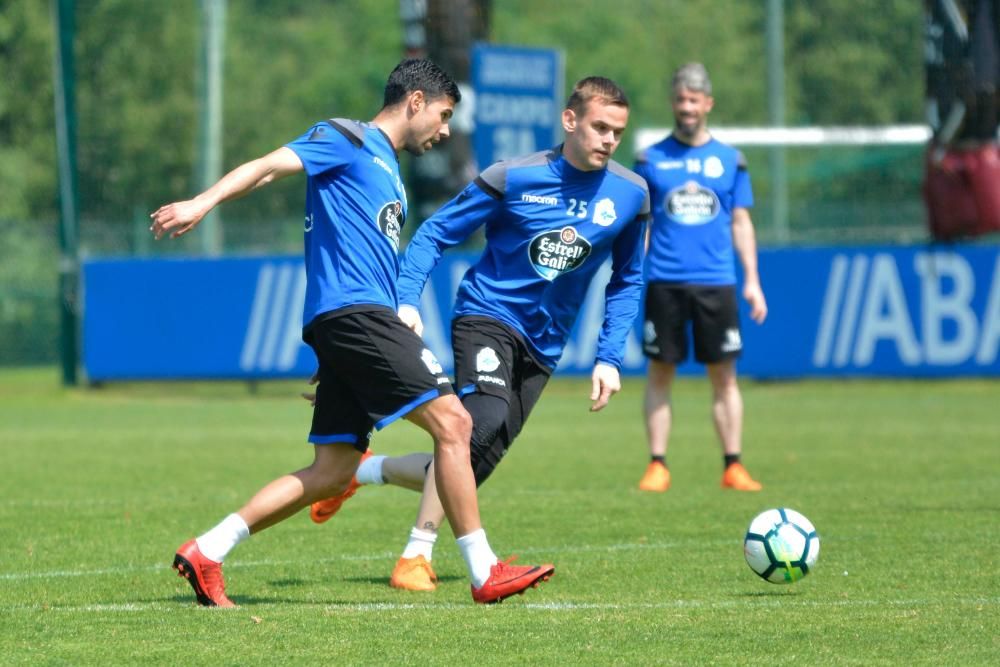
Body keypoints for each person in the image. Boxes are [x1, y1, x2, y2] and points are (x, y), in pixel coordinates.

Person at [149, 58, 553, 607]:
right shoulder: (346, 137)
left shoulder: (387, 166)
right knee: (456, 422)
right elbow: (269, 166)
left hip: (351, 326)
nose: (444, 129)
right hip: (357, 316)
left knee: (334, 471)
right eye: (443, 114)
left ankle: (207, 551)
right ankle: (484, 571)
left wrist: (339, 356)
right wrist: (204, 202)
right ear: (414, 101)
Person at [309, 76, 650, 592]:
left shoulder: (631, 194)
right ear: (570, 120)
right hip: (485, 317)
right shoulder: (513, 177)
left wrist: (609, 357)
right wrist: (405, 299)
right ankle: (415, 557)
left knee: (475, 461)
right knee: (478, 421)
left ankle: (361, 470)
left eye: (617, 132)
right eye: (600, 127)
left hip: (546, 344)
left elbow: (628, 278)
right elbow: (433, 233)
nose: (608, 140)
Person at [633, 62, 767, 493]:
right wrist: (635, 269)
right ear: (673, 102)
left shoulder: (731, 160)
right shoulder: (650, 158)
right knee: (660, 372)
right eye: (680, 99)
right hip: (666, 281)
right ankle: (657, 464)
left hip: (716, 281)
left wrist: (752, 280)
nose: (686, 107)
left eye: (694, 100)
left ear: (708, 103)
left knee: (724, 376)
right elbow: (644, 224)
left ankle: (733, 465)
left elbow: (741, 221)